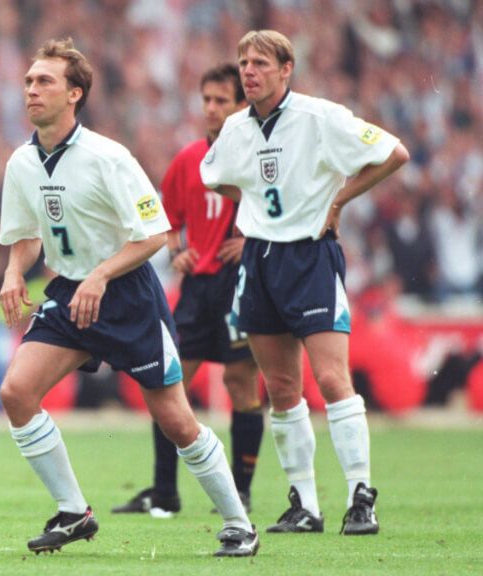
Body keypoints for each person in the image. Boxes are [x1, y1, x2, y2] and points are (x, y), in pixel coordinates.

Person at [0, 38, 257, 558]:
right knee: (16, 393)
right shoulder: (21, 163)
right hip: (71, 292)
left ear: (75, 94)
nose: (31, 89)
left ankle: (238, 524)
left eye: (44, 81)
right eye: (28, 80)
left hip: (127, 296)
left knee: (177, 421)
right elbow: (27, 235)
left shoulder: (108, 156)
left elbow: (155, 234)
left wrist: (100, 277)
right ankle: (73, 512)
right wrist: (12, 271)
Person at [201, 30, 409, 535]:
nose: (249, 72)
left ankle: (361, 497)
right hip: (261, 258)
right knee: (281, 387)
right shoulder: (235, 128)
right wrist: (256, 198)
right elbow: (215, 177)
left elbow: (394, 153)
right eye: (244, 62)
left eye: (260, 64)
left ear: (286, 69)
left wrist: (336, 201)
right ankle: (306, 505)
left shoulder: (320, 117)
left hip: (310, 257)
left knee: (333, 379)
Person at [113, 64, 263, 517]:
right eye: (207, 100)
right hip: (198, 289)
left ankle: (240, 490)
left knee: (241, 383)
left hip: (239, 284)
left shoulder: (259, 154)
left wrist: (250, 238)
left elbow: (281, 210)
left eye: (222, 100)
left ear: (242, 105)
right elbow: (165, 219)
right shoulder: (188, 160)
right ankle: (165, 492)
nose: (212, 108)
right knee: (167, 382)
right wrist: (177, 250)